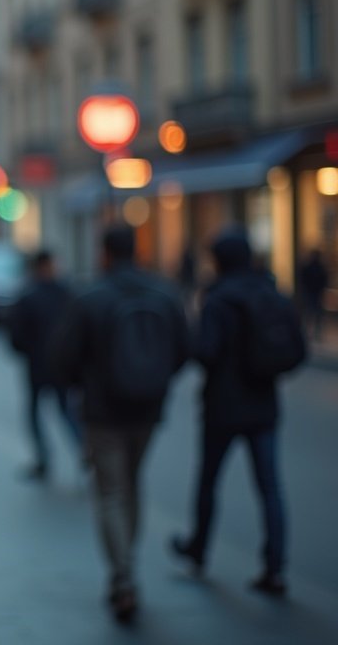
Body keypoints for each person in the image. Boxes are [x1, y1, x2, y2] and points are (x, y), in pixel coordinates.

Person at [51, 224, 189, 624]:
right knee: (132, 483)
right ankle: (127, 565)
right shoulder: (165, 294)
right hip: (148, 409)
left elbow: (63, 358)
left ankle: (123, 576)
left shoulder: (91, 297)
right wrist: (155, 381)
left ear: (105, 252)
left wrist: (82, 386)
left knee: (111, 490)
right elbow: (184, 349)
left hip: (103, 411)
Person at [170, 229, 299, 597]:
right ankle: (275, 566)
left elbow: (206, 352)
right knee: (270, 487)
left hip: (223, 407)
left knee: (209, 481)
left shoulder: (218, 299)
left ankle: (199, 549)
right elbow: (297, 348)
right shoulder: (270, 293)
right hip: (263, 405)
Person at [6, 249, 81, 482]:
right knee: (65, 412)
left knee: (38, 413)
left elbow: (15, 335)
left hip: (38, 365)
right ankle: (84, 455)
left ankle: (44, 459)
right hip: (60, 366)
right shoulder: (66, 294)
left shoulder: (29, 295)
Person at [298, 249, 329, 340]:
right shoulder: (318, 267)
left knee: (311, 313)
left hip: (313, 293)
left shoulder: (315, 267)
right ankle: (313, 332)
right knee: (312, 314)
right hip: (314, 293)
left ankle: (311, 332)